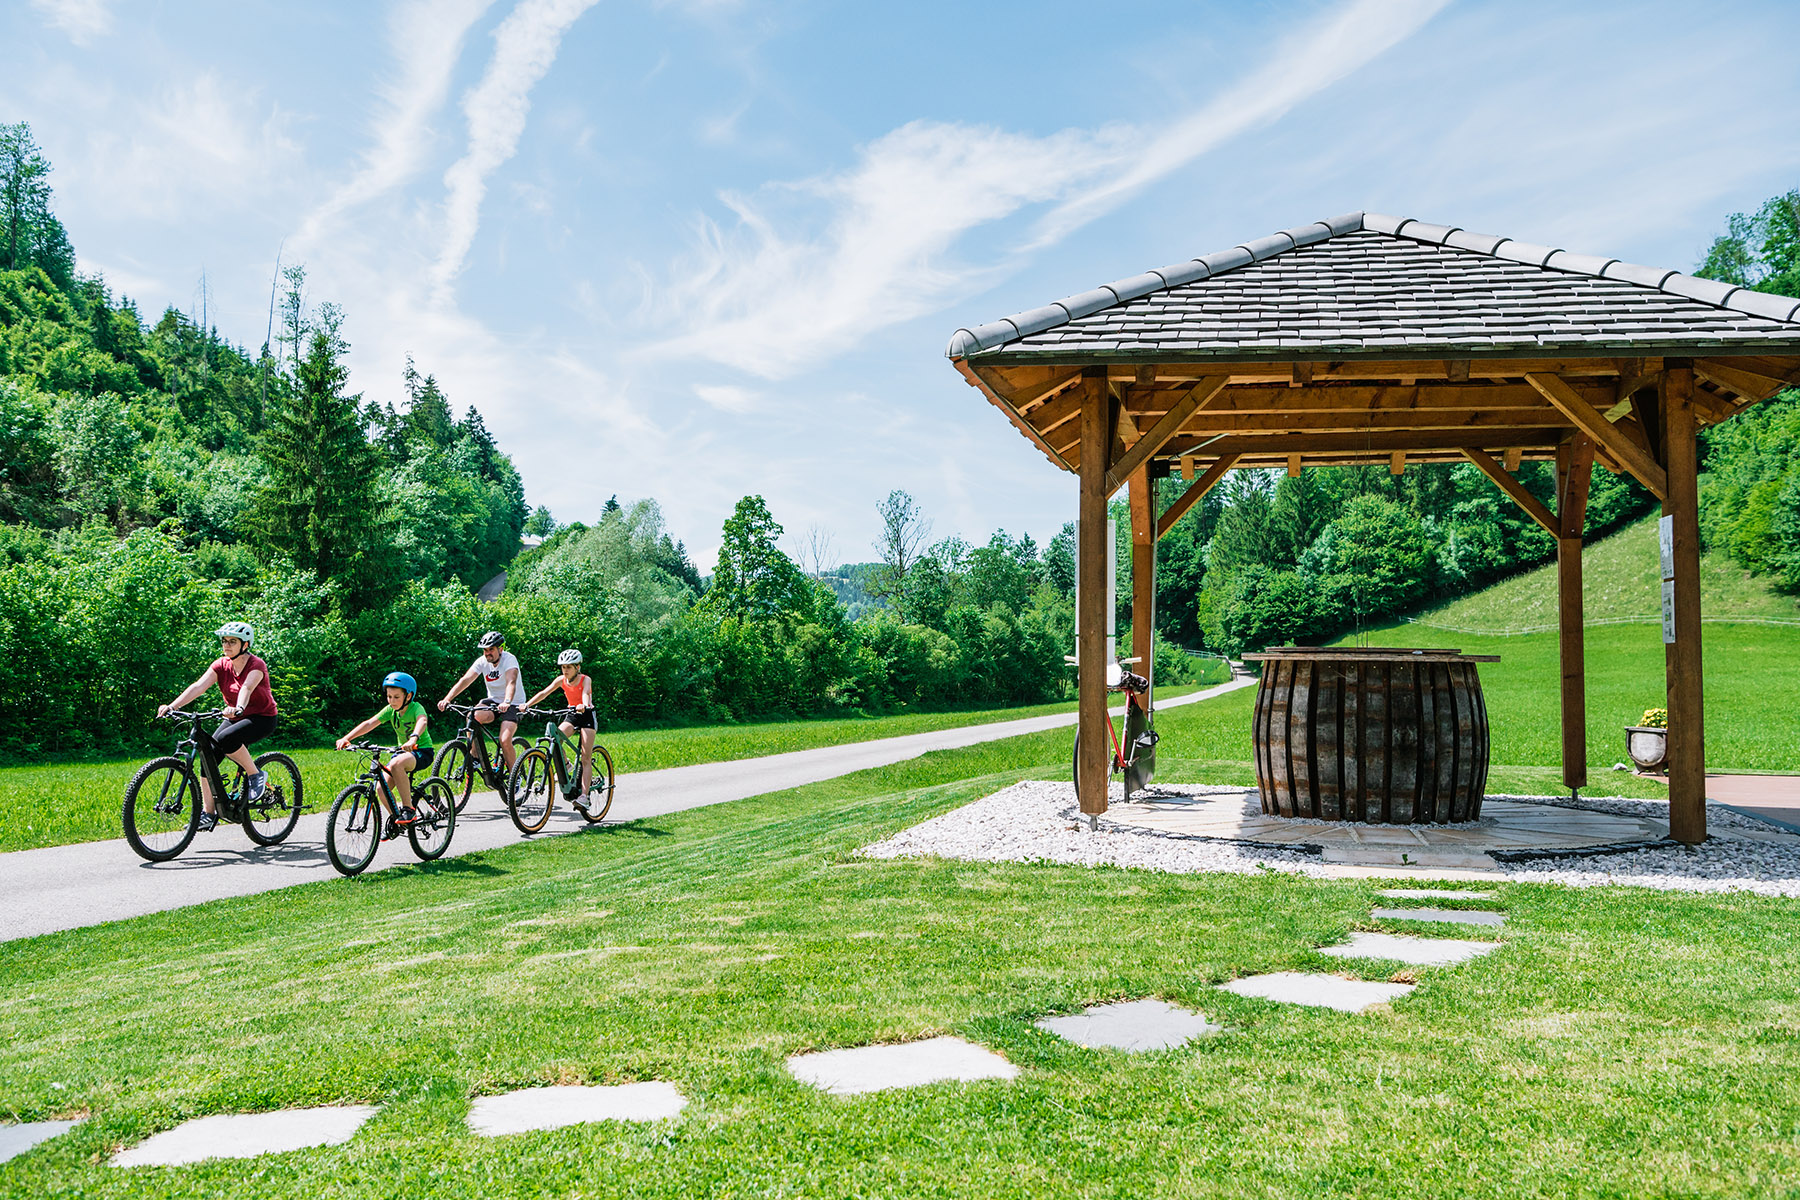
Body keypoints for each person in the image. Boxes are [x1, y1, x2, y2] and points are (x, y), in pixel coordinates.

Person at [158, 621, 279, 833]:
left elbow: (247, 687)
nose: (227, 645)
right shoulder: (221, 665)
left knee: (226, 739)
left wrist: (239, 707)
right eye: (224, 641)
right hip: (235, 716)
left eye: (232, 641)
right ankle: (208, 813)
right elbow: (198, 686)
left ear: (245, 644)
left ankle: (255, 774)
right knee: (208, 757)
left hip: (261, 717)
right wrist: (172, 706)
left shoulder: (256, 665)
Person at [336, 671, 434, 838]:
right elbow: (369, 723)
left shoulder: (416, 708)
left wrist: (413, 739)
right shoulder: (391, 710)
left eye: (396, 697)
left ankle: (408, 809)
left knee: (396, 764)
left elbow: (422, 721)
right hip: (402, 753)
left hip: (421, 751)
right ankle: (397, 820)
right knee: (381, 788)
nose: (392, 701)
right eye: (389, 696)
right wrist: (347, 738)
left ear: (408, 696)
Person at [438, 631, 523, 774]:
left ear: (500, 649)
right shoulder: (482, 662)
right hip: (493, 701)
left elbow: (511, 682)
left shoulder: (509, 660)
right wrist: (447, 699)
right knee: (472, 716)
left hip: (513, 703)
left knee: (504, 739)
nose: (487, 653)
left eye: (491, 649)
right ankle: (476, 757)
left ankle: (516, 774)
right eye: (485, 650)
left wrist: (507, 701)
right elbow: (465, 680)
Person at [523, 649, 597, 811]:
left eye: (568, 667)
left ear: (577, 667)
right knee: (554, 737)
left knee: (585, 757)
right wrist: (527, 705)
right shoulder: (561, 680)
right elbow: (544, 692)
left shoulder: (585, 679)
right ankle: (566, 764)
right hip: (571, 714)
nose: (565, 670)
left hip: (586, 715)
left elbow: (585, 694)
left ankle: (584, 797)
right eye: (563, 667)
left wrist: (583, 705)